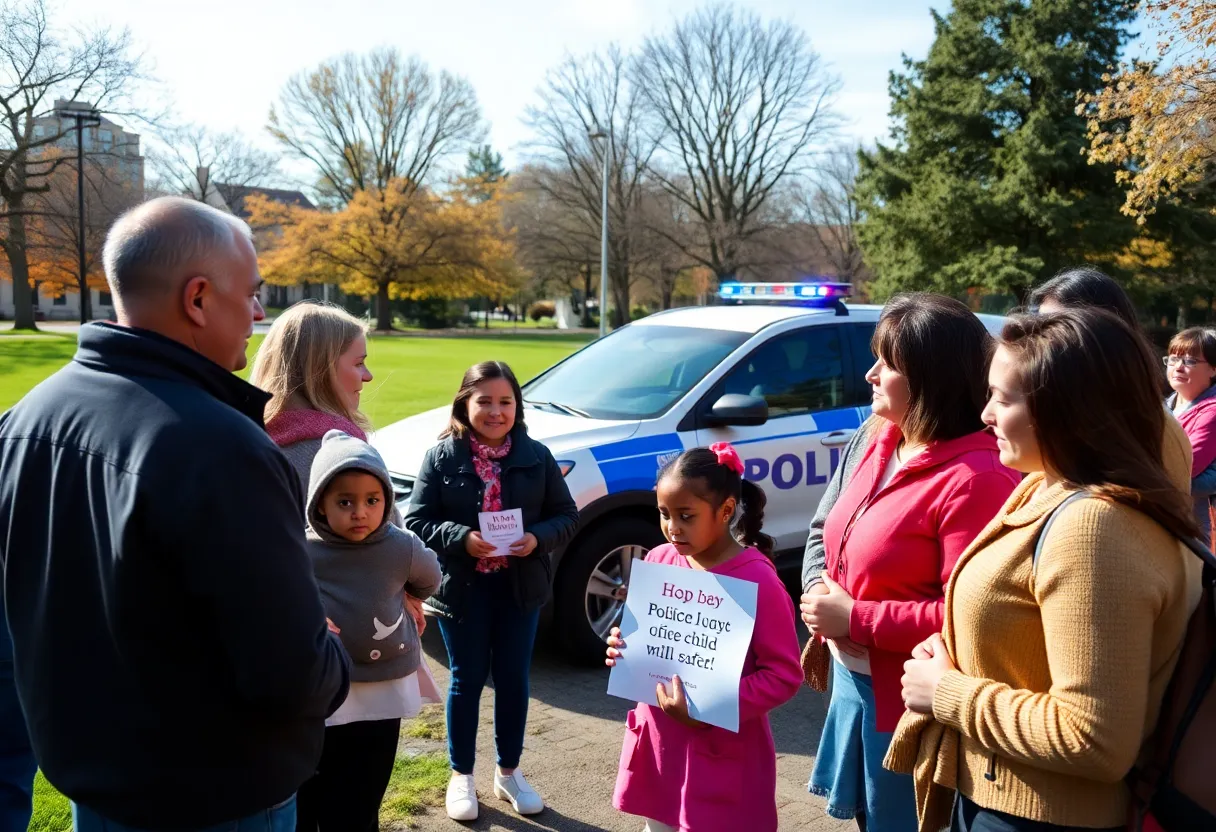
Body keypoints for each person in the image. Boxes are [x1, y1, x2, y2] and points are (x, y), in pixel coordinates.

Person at [0, 197, 350, 830]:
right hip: (217, 797)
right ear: (197, 299)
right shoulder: (223, 449)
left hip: (99, 782)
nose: (259, 313)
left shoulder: (29, 416)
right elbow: (290, 675)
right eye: (250, 293)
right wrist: (331, 654)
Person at [890, 308, 1202, 832]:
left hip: (1042, 817)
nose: (986, 414)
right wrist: (958, 652)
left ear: (1066, 410)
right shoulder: (1048, 481)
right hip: (1005, 798)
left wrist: (946, 692)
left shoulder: (1094, 529)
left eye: (1003, 399)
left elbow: (1095, 740)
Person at [801, 294, 1019, 831]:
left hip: (911, 703)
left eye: (888, 362)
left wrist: (856, 619)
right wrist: (816, 594)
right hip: (856, 686)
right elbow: (821, 531)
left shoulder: (978, 479)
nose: (872, 373)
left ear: (930, 377)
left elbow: (967, 617)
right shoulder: (878, 436)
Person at [404, 361, 578, 822]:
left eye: (505, 401)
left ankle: (509, 773)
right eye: (484, 401)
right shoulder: (442, 457)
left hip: (519, 588)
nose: (495, 411)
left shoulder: (537, 456)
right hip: (463, 589)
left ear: (517, 406)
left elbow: (567, 515)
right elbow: (416, 519)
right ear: (465, 403)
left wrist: (538, 537)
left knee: (514, 680)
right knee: (465, 679)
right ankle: (461, 775)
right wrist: (461, 538)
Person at [605, 444, 802, 832]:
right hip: (661, 749)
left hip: (720, 755)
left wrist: (707, 706)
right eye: (664, 514)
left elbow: (783, 675)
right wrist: (623, 648)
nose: (672, 527)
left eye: (686, 516)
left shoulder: (759, 580)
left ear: (726, 510)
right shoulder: (660, 559)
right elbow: (651, 637)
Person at [251, 301, 428, 636]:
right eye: (359, 363)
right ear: (322, 369)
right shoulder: (340, 454)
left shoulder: (251, 443)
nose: (368, 375)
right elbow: (391, 543)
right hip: (361, 642)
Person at [296, 431, 442, 831]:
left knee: (363, 793)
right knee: (312, 790)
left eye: (372, 501)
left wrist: (410, 591)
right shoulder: (303, 549)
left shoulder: (401, 546)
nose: (360, 512)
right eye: (345, 502)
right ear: (320, 505)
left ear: (386, 502)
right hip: (325, 690)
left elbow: (431, 576)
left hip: (383, 687)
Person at [1028, 266, 1193, 491]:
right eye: (1040, 326)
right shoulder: (1068, 411)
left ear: (1108, 333)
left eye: (1060, 328)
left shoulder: (1156, 430)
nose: (1042, 341)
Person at [1164, 327, 1216, 538]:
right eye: (1174, 359)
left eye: (1190, 361)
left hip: (1191, 526)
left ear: (1213, 369)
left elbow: (1184, 466)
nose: (1178, 367)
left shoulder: (1212, 411)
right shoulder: (1164, 406)